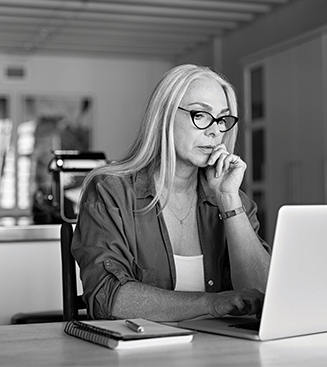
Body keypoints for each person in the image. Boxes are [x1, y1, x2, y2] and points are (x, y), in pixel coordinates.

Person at [72, 64, 271, 321]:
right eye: (200, 115)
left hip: (221, 352)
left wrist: (228, 201)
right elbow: (107, 298)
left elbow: (265, 296)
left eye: (222, 119)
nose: (215, 131)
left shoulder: (233, 198)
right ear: (164, 115)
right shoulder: (111, 192)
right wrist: (211, 303)